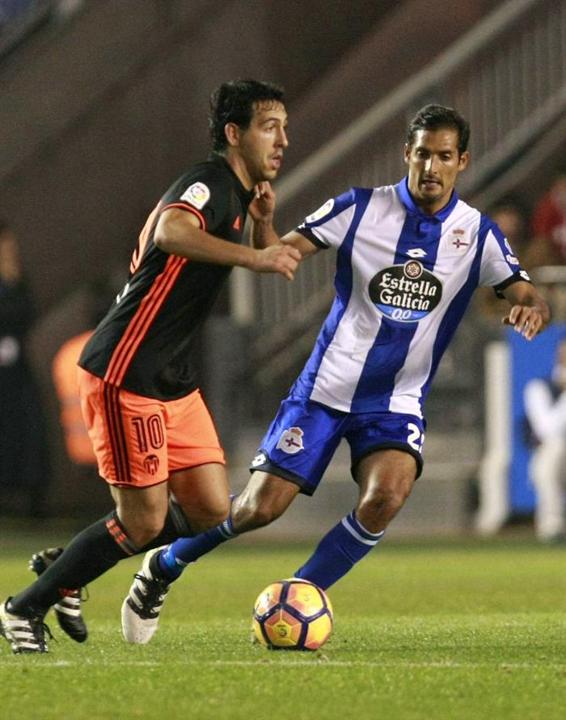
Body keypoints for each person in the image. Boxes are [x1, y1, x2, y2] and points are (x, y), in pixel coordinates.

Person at [119, 104, 551, 645]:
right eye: (422, 154)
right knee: (257, 509)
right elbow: (280, 256)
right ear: (407, 154)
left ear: (461, 161)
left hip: (394, 401)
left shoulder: (476, 234)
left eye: (444, 156)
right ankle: (163, 567)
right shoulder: (358, 208)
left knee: (385, 497)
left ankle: (298, 596)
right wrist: (265, 226)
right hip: (325, 390)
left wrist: (531, 307)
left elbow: (524, 289)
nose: (431, 167)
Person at [0, 79, 300, 654]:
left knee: (212, 510)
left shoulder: (240, 194)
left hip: (171, 378)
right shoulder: (208, 181)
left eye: (284, 127)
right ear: (234, 134)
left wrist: (264, 223)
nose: (283, 140)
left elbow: (262, 251)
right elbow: (171, 230)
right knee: (141, 522)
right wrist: (253, 257)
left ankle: (71, 565)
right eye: (270, 127)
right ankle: (23, 608)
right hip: (127, 370)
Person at [0, 221, 51, 518]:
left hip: (17, 370)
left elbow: (26, 313)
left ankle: (33, 499)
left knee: (29, 427)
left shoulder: (16, 278)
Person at [524, 338, 566, 543]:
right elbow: (548, 429)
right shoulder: (539, 387)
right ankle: (552, 527)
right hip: (555, 451)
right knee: (553, 452)